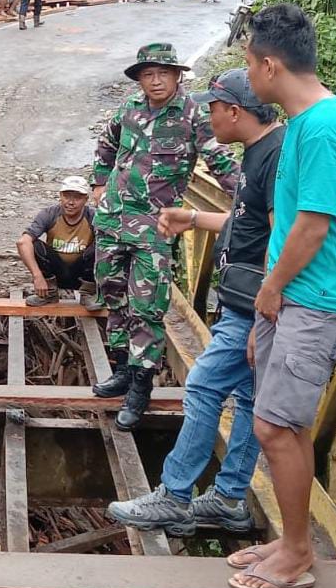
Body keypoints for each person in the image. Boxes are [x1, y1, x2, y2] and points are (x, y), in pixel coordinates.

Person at [223, 4, 336, 588]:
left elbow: (313, 224)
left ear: (269, 65)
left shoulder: (327, 127)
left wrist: (272, 286)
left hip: (317, 298)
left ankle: (297, 553)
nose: (248, 78)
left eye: (248, 67)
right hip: (294, 298)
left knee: (276, 427)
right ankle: (289, 540)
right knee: (279, 424)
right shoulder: (306, 124)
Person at [107, 69, 285, 535]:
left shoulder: (274, 156)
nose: (207, 114)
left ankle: (174, 493)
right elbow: (247, 220)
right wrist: (194, 217)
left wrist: (264, 317)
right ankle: (227, 498)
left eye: (213, 107)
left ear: (234, 111)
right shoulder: (261, 151)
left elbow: (281, 238)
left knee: (203, 385)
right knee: (246, 397)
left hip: (254, 303)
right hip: (248, 297)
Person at [91, 43, 240, 430]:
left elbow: (221, 164)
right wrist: (97, 184)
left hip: (155, 227)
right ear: (140, 78)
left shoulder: (193, 116)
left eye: (163, 73)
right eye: (148, 74)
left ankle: (141, 385)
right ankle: (123, 367)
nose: (155, 81)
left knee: (147, 305)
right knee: (112, 291)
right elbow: (106, 144)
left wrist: (255, 200)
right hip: (112, 220)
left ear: (177, 76)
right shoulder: (129, 109)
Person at [19, 176, 100, 308]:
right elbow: (23, 242)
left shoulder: (93, 217)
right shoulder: (49, 214)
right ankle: (49, 293)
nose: (71, 202)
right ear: (60, 196)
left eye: (77, 198)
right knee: (34, 245)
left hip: (83, 273)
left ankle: (88, 293)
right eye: (67, 196)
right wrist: (37, 276)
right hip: (56, 273)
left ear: (86, 199)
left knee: (102, 244)